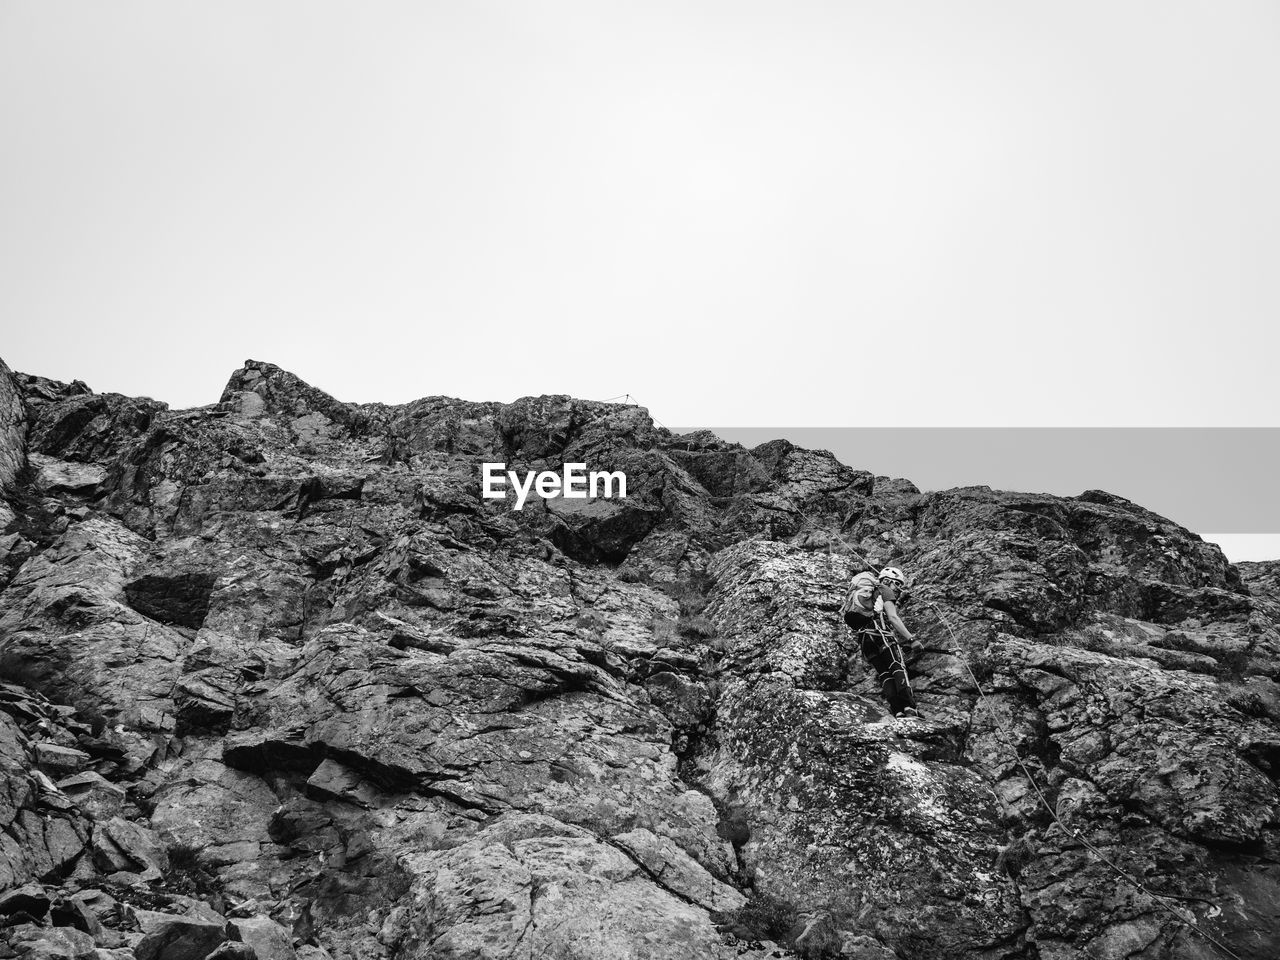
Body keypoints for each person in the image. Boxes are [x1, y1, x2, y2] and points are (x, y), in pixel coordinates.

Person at [840, 566, 922, 718]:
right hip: (881, 634)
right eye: (897, 584)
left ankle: (897, 710)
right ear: (888, 580)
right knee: (897, 667)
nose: (898, 589)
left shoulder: (871, 594)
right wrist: (912, 640)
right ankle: (910, 708)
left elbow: (878, 611)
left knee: (885, 674)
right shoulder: (885, 589)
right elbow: (893, 618)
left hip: (865, 640)